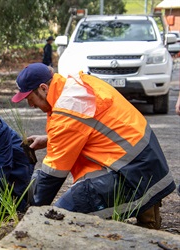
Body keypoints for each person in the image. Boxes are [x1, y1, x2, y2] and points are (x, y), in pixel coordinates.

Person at [11, 63, 176, 229]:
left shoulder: (67, 109)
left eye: (29, 98)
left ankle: (146, 218)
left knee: (62, 215)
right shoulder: (76, 85)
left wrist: (33, 215)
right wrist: (49, 139)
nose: (30, 105)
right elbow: (92, 127)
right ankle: (148, 215)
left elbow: (52, 174)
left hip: (130, 174)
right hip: (148, 164)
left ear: (43, 88)